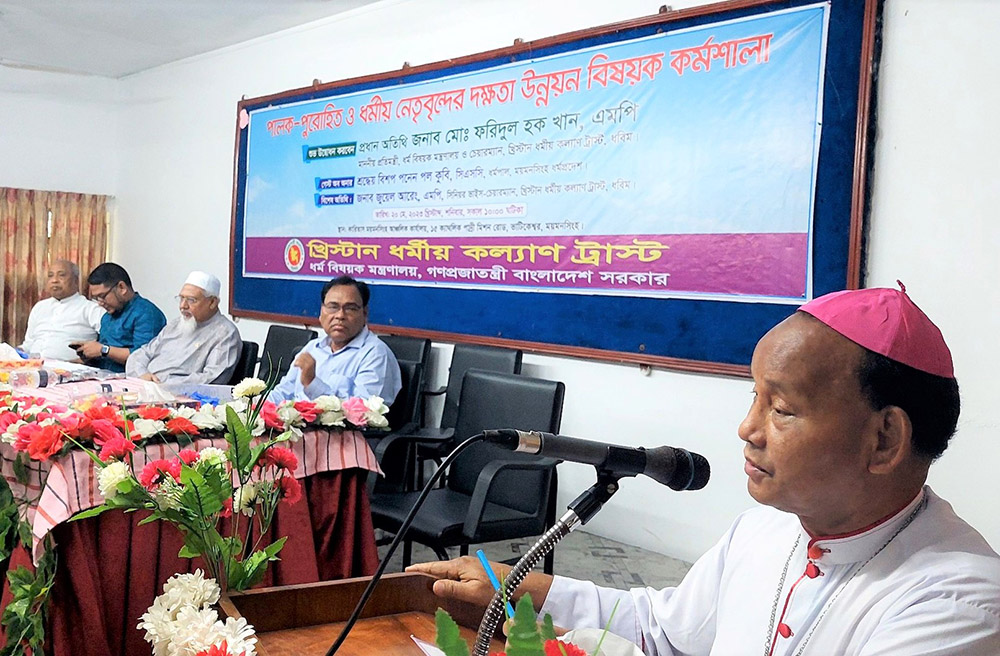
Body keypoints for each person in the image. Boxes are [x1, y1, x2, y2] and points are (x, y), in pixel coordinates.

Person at [409, 286, 1000, 655]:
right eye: (754, 397)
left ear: (885, 439)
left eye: (782, 408)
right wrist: (522, 590)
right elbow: (668, 634)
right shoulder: (763, 531)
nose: (748, 429)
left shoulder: (961, 603)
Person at [268, 275, 401, 404]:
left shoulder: (375, 354)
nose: (340, 315)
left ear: (364, 314)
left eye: (350, 308)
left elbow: (362, 414)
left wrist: (312, 383)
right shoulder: (312, 348)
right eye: (333, 307)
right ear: (321, 312)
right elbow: (282, 393)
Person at [125, 271, 242, 385]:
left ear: (212, 302)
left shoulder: (225, 333)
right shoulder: (175, 324)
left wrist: (161, 382)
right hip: (144, 386)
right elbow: (142, 353)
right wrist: (142, 375)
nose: (183, 306)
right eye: (181, 298)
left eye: (191, 300)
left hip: (175, 396)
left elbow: (211, 379)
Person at [75, 263, 167, 372]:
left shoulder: (147, 314)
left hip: (132, 380)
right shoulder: (107, 317)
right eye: (96, 298)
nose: (100, 303)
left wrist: (103, 350)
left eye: (102, 296)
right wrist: (89, 354)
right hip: (102, 375)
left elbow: (142, 358)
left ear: (122, 288)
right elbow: (105, 355)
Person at [20, 259, 104, 361]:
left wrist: (87, 360)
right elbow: (28, 344)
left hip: (71, 370)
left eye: (61, 275)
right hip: (33, 367)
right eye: (50, 275)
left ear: (76, 281)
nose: (54, 280)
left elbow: (108, 344)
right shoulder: (40, 307)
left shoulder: (90, 309)